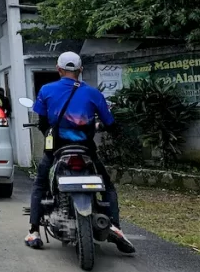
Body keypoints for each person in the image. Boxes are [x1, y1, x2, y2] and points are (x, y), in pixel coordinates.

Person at [24, 51, 135, 254]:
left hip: (57, 150)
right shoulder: (93, 93)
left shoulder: (46, 90)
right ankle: (116, 227)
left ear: (58, 69)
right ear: (80, 70)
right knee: (107, 187)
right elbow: (111, 124)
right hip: (86, 150)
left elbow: (42, 124)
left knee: (40, 185)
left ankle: (34, 232)